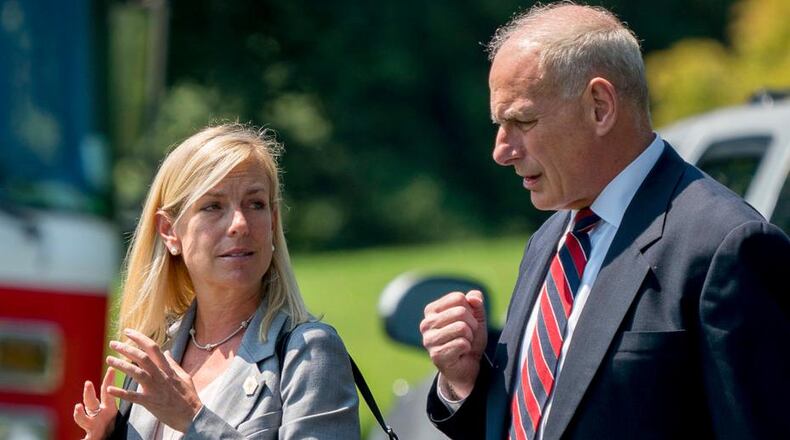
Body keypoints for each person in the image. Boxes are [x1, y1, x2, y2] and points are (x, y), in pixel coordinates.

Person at [420, 3, 790, 439]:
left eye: (522, 120)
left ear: (600, 106)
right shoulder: (549, 241)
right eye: (500, 125)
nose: (501, 151)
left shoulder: (726, 245)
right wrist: (463, 382)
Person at [73, 124, 360, 439]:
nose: (239, 223)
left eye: (256, 204)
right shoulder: (154, 354)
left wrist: (194, 419)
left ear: (273, 222)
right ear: (169, 232)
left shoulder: (309, 351)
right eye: (213, 206)